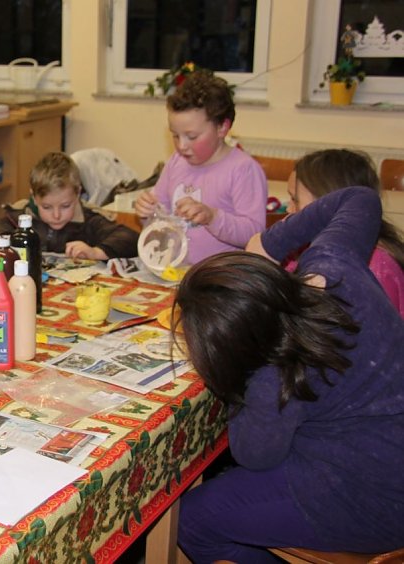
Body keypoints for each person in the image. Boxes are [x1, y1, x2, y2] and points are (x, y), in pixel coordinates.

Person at [175, 186, 404, 561]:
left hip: (376, 498)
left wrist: (241, 382)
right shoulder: (333, 268)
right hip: (386, 457)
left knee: (193, 519)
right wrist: (269, 242)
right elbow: (360, 198)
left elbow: (253, 455)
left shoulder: (271, 379)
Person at [134, 71, 267, 264]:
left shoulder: (243, 169)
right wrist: (147, 213)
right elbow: (159, 219)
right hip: (175, 271)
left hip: (220, 277)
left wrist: (212, 217)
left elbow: (254, 234)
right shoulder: (176, 162)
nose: (181, 145)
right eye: (175, 135)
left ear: (222, 128)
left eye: (192, 136)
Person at [283, 148, 404, 316]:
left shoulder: (375, 268)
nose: (289, 209)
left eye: (295, 199)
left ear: (330, 204)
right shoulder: (304, 247)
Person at [0, 152, 138, 260]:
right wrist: (13, 242)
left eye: (65, 206)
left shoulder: (89, 220)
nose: (56, 215)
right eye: (47, 207)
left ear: (77, 194)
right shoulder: (20, 217)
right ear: (34, 197)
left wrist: (95, 252)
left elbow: (130, 238)